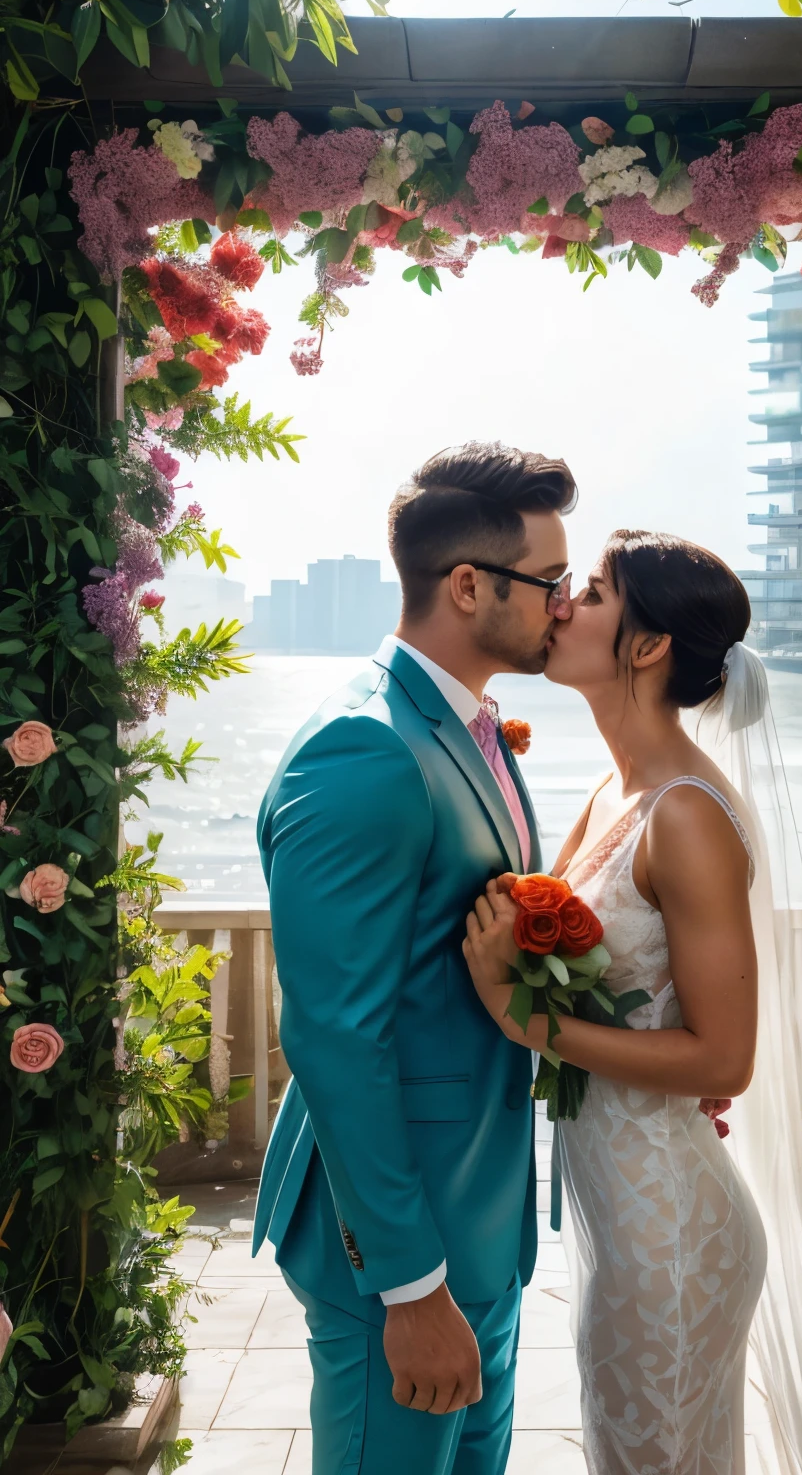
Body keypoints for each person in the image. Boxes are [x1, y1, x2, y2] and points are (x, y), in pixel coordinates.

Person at [462, 531, 802, 1475]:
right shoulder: (615, 789)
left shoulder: (684, 812)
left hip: (670, 1232)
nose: (559, 604)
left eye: (589, 593)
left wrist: (529, 1024)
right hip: (623, 1210)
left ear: (645, 647)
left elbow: (726, 1061)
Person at [251, 442, 576, 1475]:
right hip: (403, 1248)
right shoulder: (365, 749)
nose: (564, 607)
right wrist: (409, 1287)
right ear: (469, 584)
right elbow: (332, 1035)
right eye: (550, 583)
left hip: (481, 1222)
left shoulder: (463, 726)